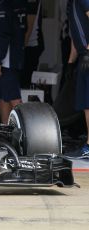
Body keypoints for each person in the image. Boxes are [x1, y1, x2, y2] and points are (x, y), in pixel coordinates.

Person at [0, 0, 27, 124]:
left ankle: (27, 130)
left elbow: (2, 34)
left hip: (7, 60)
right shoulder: (18, 4)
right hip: (15, 55)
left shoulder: (3, 5)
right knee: (3, 95)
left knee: (13, 97)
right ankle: (5, 130)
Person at [67, 0, 89, 157]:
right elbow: (76, 36)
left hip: (87, 55)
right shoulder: (71, 4)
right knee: (85, 104)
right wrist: (70, 63)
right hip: (83, 56)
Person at [20, 0, 44, 89]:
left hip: (31, 45)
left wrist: (21, 49)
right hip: (26, 44)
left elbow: (29, 27)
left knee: (25, 82)